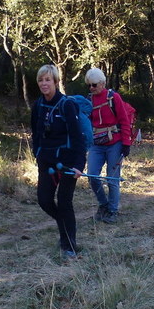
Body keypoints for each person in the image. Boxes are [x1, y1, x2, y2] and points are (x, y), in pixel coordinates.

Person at [31, 64, 87, 258]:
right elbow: (36, 133)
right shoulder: (38, 105)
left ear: (55, 81)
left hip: (68, 163)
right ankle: (65, 226)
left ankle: (69, 246)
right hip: (46, 162)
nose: (44, 83)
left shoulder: (67, 105)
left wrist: (79, 165)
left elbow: (78, 137)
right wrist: (36, 153)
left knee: (64, 202)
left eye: (47, 79)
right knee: (44, 200)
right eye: (41, 80)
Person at [85, 67, 132, 223]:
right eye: (89, 85)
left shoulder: (114, 97)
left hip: (115, 143)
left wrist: (126, 143)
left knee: (112, 179)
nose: (91, 88)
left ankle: (113, 211)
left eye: (94, 85)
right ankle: (103, 204)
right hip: (96, 144)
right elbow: (85, 122)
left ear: (103, 83)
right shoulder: (89, 100)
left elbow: (125, 121)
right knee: (92, 176)